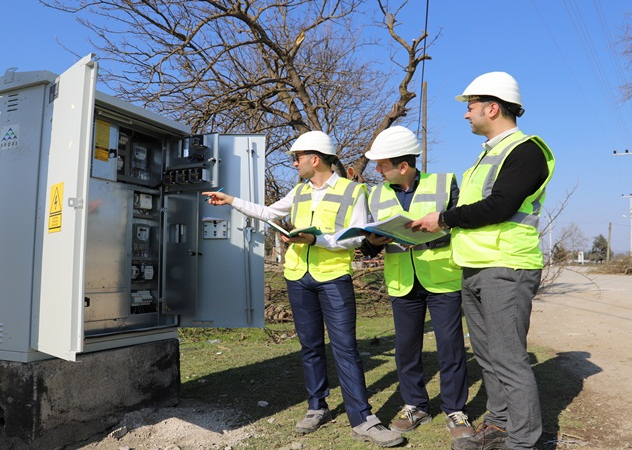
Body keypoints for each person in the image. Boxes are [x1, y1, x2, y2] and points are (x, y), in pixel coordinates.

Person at [202, 130, 404, 448]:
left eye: (297, 158)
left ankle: (363, 419)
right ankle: (316, 407)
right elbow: (269, 213)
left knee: (345, 349)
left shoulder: (353, 191)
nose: (294, 164)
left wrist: (315, 240)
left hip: (333, 277)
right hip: (298, 277)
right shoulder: (299, 191)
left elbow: (356, 237)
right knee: (310, 347)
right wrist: (231, 201)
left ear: (315, 158)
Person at [409, 72, 555, 450]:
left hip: (507, 266)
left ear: (492, 108)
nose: (465, 114)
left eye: (470, 107)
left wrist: (443, 219)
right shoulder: (486, 155)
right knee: (488, 356)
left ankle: (522, 442)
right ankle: (498, 426)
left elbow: (500, 206)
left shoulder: (525, 151)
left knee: (508, 358)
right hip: (476, 266)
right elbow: (474, 212)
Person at [358, 126, 472, 440]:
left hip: (442, 277)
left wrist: (436, 230)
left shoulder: (444, 183)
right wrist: (371, 242)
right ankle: (415, 405)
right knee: (406, 349)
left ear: (403, 165)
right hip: (401, 281)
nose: (378, 171)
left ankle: (455, 410)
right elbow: (370, 244)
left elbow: (461, 226)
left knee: (450, 348)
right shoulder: (376, 194)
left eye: (382, 165)